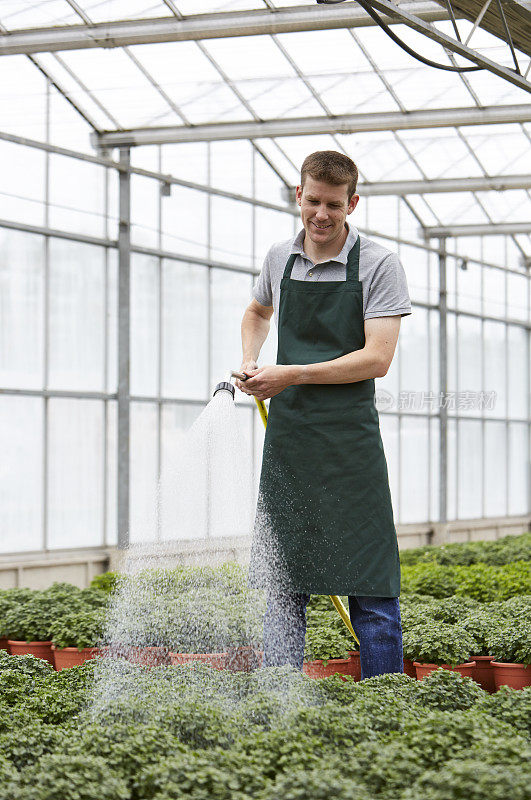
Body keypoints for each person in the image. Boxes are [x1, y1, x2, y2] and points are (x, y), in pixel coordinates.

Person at [236, 151, 411, 679]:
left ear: (351, 203)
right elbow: (257, 312)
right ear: (299, 195)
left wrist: (287, 374)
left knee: (372, 586)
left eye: (333, 204)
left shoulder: (379, 264)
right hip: (290, 442)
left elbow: (376, 359)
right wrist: (251, 359)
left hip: (350, 444)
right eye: (313, 200)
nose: (321, 214)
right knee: (283, 587)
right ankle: (280, 699)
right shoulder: (277, 259)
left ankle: (385, 705)